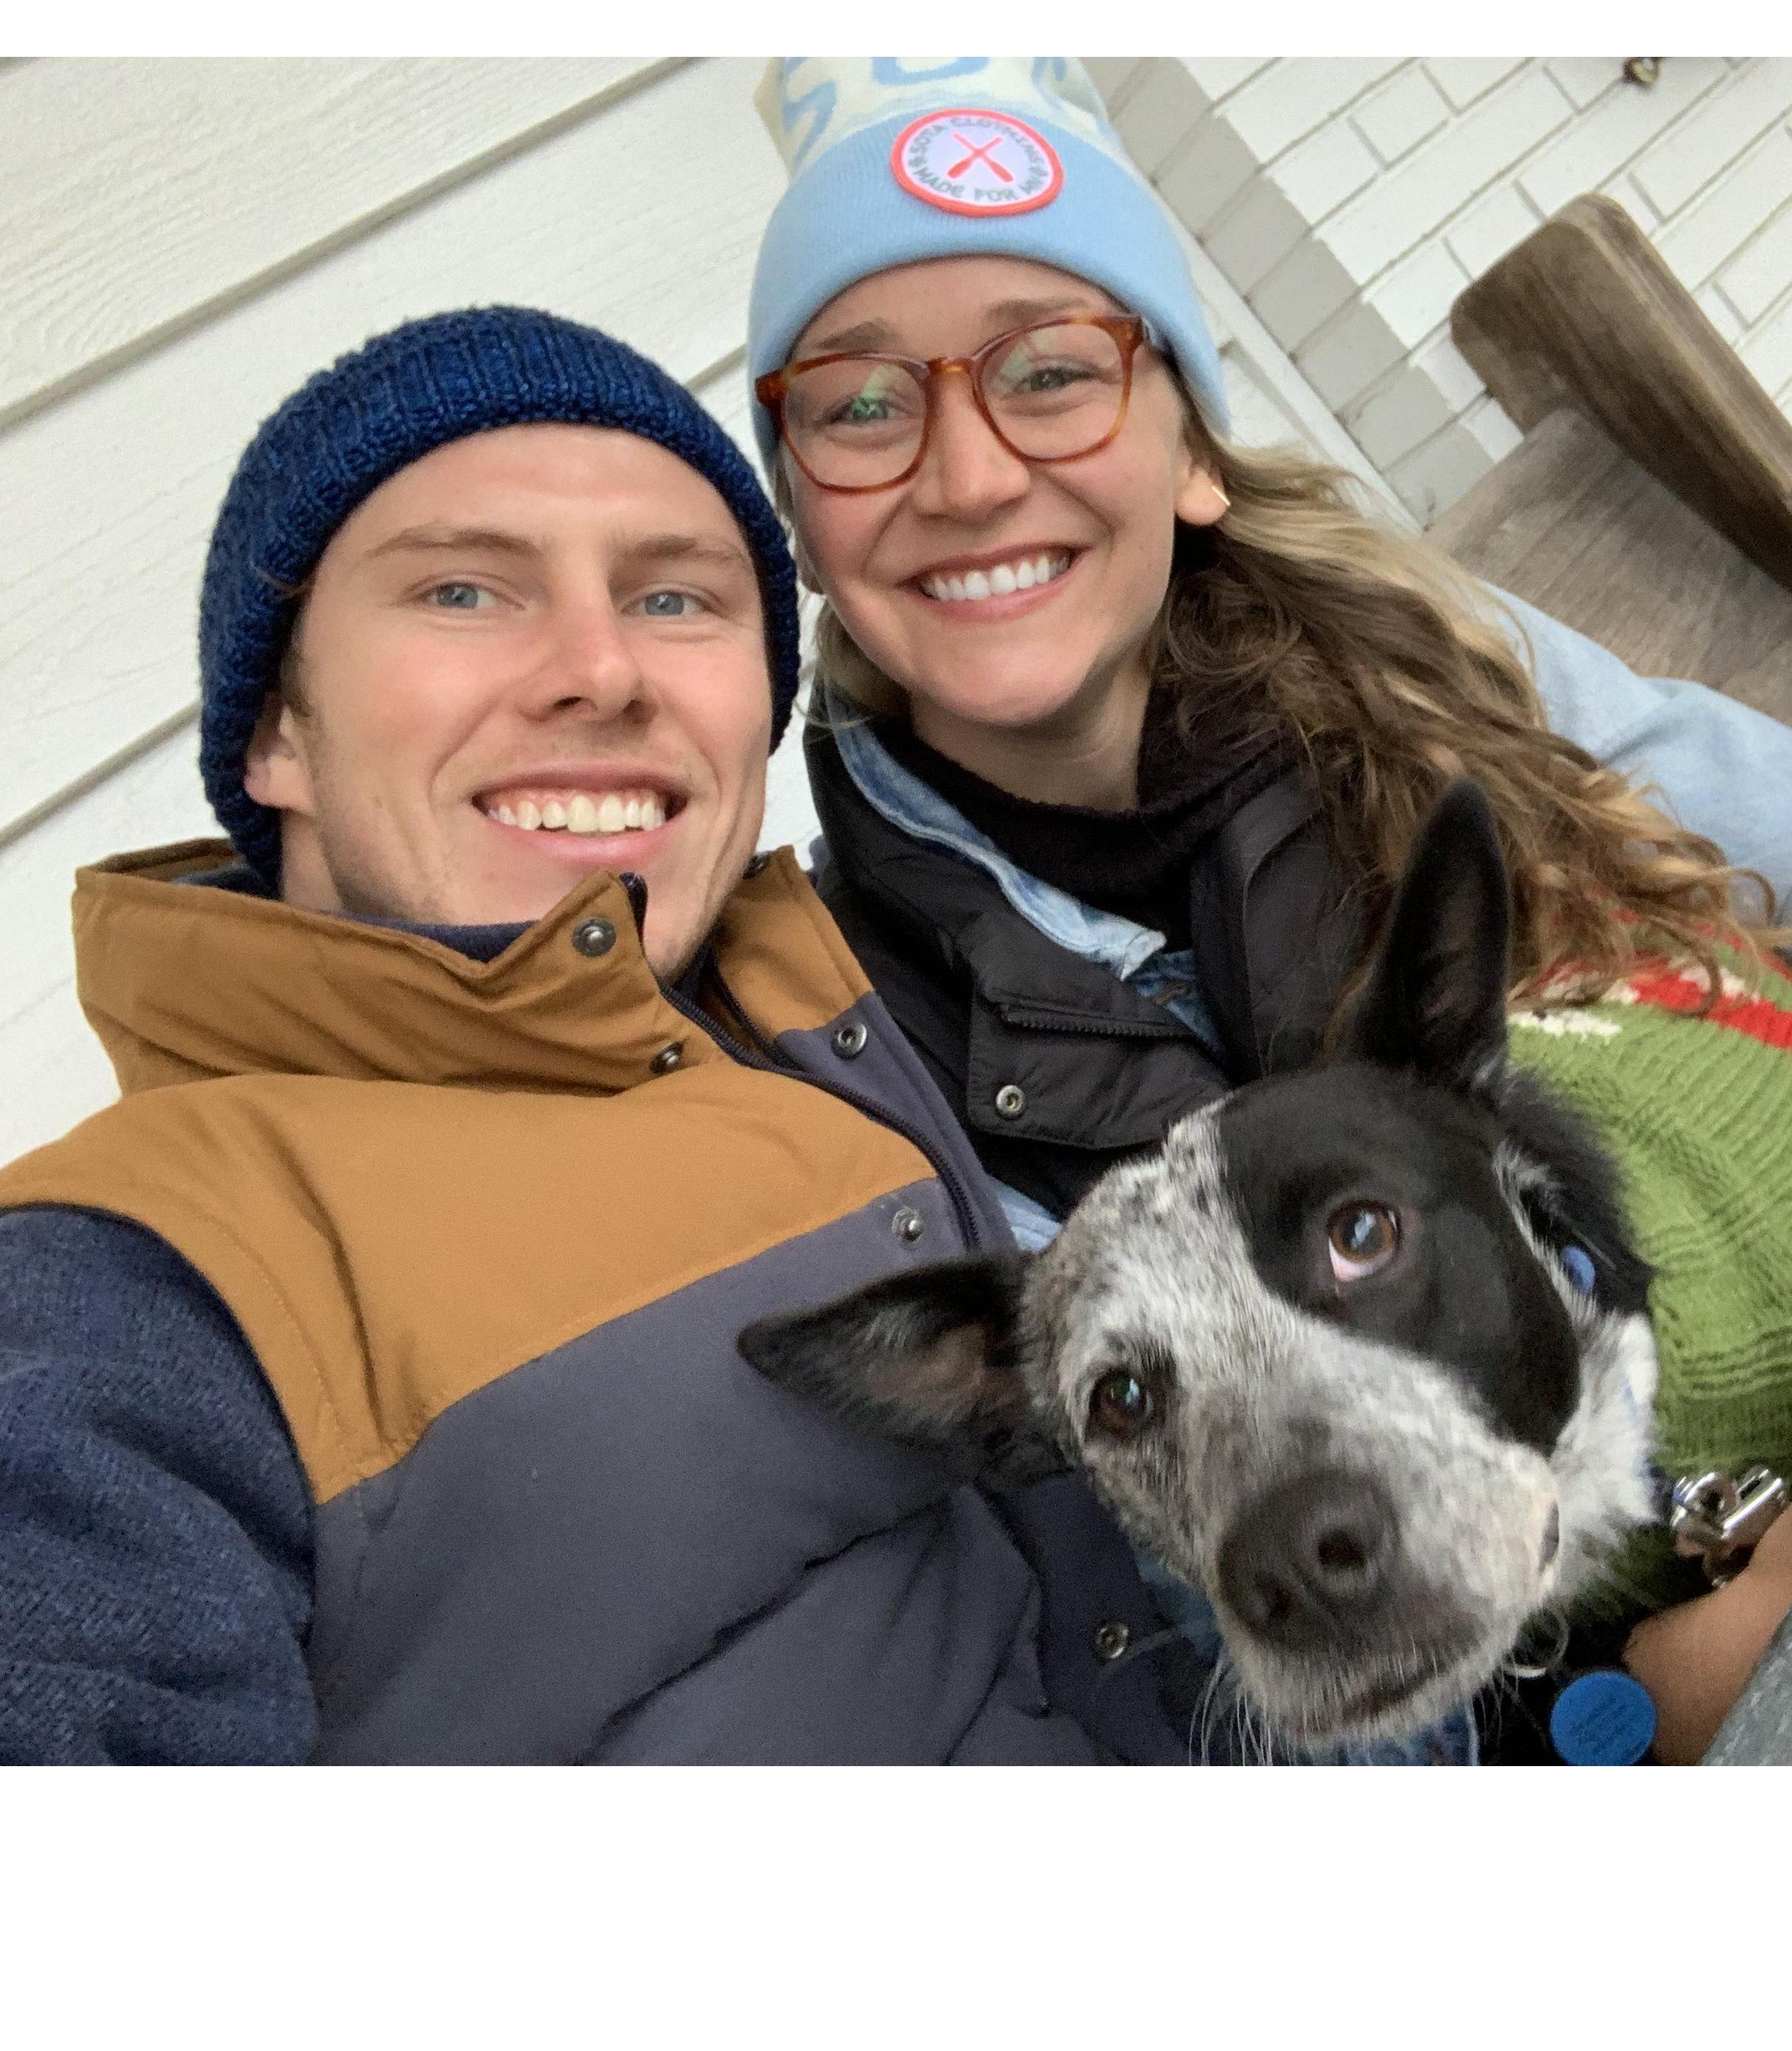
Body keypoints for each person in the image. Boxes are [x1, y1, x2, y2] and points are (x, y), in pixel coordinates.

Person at [744, 58, 1792, 1761]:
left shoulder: (1422, 650)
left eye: (1053, 371)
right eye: (859, 404)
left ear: (1190, 445)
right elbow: (1256, 1614)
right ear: (803, 514)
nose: (964, 474)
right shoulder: (862, 1043)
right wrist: (1695, 1681)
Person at [0, 306, 1210, 1764]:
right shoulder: (131, 1275)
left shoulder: (841, 982)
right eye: (461, 590)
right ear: (275, 736)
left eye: (677, 599)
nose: (601, 667)